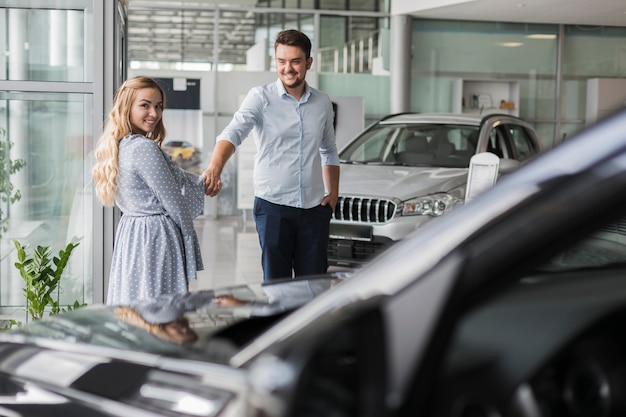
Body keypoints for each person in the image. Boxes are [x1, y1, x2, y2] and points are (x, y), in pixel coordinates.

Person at [203, 29, 340, 282]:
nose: (288, 68)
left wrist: (333, 193)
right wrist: (214, 167)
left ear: (308, 63)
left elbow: (328, 149)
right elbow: (233, 132)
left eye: (295, 61)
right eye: (281, 61)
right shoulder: (261, 97)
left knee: (313, 285)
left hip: (313, 209)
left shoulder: (322, 102)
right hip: (273, 206)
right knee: (276, 285)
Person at [92, 76, 205, 306]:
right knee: (159, 307)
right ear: (127, 107)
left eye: (158, 106)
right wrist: (189, 242)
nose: (154, 113)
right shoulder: (144, 148)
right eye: (145, 105)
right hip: (155, 237)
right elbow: (174, 203)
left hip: (132, 235)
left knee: (137, 303)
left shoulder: (121, 145)